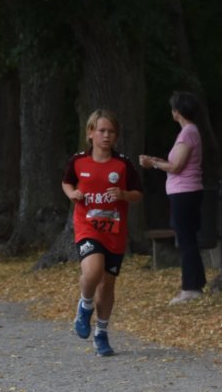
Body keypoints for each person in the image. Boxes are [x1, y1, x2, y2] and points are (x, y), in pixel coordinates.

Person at [62, 109, 144, 357]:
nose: (106, 136)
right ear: (90, 133)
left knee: (107, 285)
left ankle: (101, 333)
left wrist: (124, 194)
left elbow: (138, 194)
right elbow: (67, 181)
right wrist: (72, 194)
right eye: (101, 131)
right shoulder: (78, 161)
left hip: (114, 231)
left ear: (116, 136)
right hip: (87, 226)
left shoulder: (123, 164)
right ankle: (85, 305)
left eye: (111, 132)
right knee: (93, 271)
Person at [139, 91, 207, 305]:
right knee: (187, 238)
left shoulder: (188, 133)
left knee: (186, 239)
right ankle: (196, 282)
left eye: (173, 109)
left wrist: (153, 164)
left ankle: (190, 288)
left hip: (185, 192)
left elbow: (176, 166)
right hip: (185, 191)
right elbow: (175, 163)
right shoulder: (189, 132)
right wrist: (157, 161)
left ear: (177, 112)